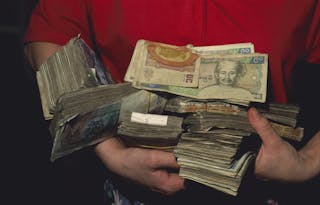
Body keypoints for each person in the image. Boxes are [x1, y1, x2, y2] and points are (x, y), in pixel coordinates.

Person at [24, 0, 320, 204]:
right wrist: (105, 146)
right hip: (125, 186)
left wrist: (309, 162)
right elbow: (50, 33)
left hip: (261, 188)